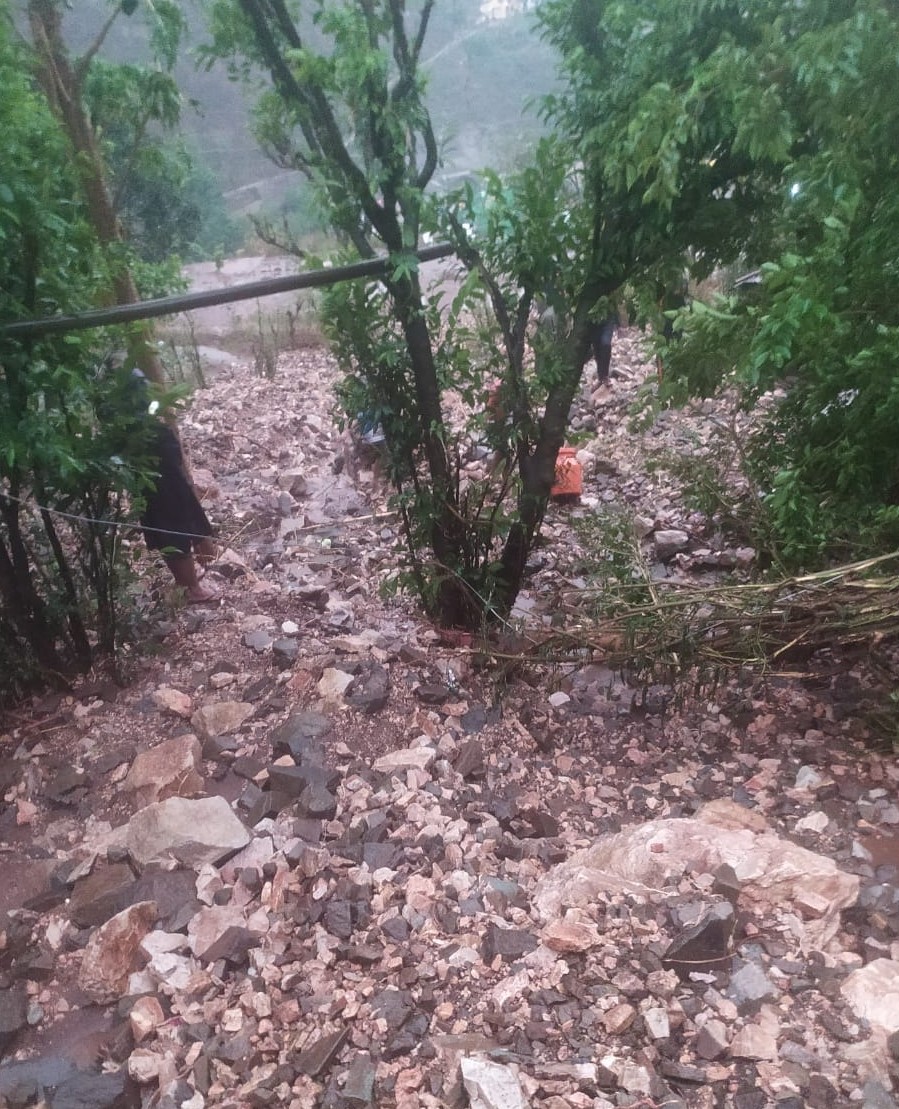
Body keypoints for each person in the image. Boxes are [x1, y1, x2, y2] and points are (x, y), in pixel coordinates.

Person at [112, 367, 219, 603]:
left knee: (173, 534)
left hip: (157, 487)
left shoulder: (127, 424)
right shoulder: (143, 427)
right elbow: (170, 455)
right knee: (175, 536)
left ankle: (189, 583)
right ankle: (192, 588)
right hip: (165, 487)